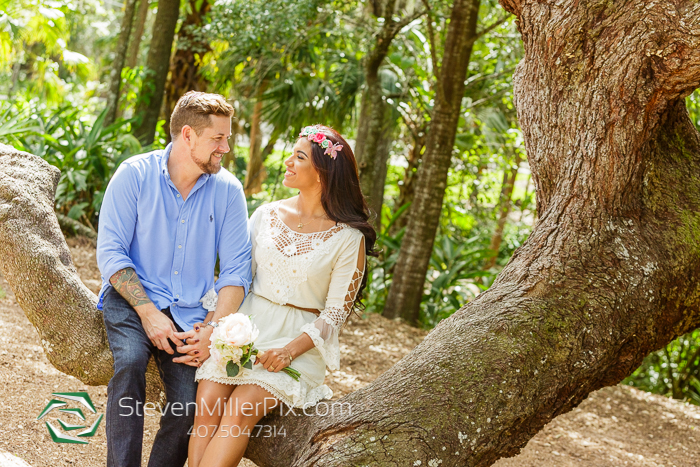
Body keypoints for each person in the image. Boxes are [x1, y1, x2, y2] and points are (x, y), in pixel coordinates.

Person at [178, 125, 376, 467]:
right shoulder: (266, 214)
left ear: (323, 172)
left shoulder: (349, 238)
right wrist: (213, 326)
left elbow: (334, 315)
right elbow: (238, 277)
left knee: (239, 410)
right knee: (207, 404)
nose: (287, 161)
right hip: (244, 328)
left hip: (296, 343)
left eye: (299, 157)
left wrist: (288, 351)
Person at [96, 91, 252, 467]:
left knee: (187, 406)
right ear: (187, 135)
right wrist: (148, 312)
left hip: (190, 316)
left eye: (227, 138)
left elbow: (236, 271)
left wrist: (212, 330)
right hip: (133, 297)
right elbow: (111, 253)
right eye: (218, 138)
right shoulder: (134, 175)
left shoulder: (229, 191)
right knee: (131, 362)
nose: (226, 148)